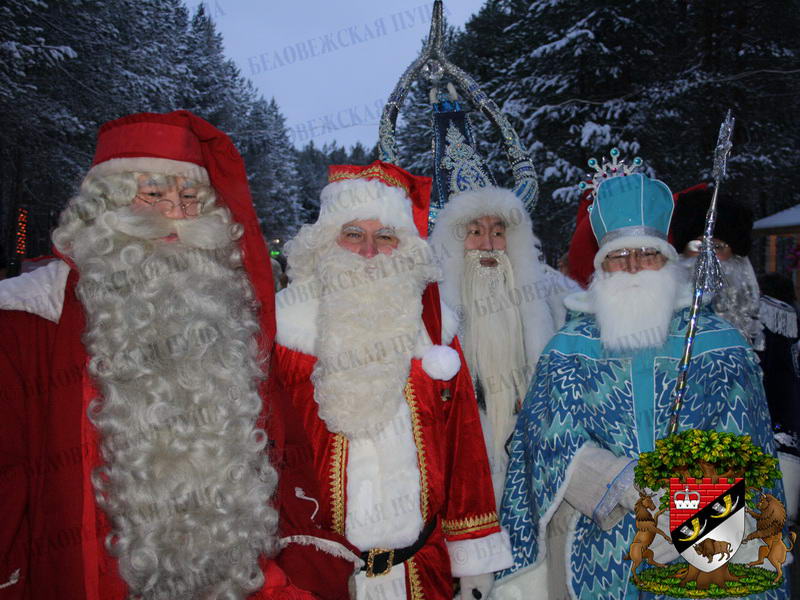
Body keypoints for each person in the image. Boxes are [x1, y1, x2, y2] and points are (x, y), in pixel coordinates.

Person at [0, 111, 305, 599]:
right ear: (106, 205)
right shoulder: (28, 319)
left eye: (189, 199)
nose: (175, 215)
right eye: (153, 195)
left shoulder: (225, 318)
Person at [497, 171, 786, 599]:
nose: (633, 265)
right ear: (601, 266)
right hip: (603, 544)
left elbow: (745, 442)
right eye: (619, 255)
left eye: (648, 254)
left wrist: (690, 515)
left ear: (668, 262)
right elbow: (546, 440)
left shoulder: (719, 344)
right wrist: (625, 485)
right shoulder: (568, 348)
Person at [268, 161, 513, 600]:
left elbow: (464, 448)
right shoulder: (284, 330)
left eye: (385, 237)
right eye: (353, 234)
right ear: (325, 243)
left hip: (420, 572)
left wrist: (473, 555)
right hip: (316, 577)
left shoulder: (434, 332)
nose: (369, 252)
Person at [428, 187, 563, 501]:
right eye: (475, 232)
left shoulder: (555, 306)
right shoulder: (426, 315)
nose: (488, 246)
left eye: (498, 233)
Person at [672, 184, 764, 349]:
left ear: (735, 256)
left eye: (717, 247)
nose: (707, 256)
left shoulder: (771, 318)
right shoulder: (662, 314)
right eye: (697, 246)